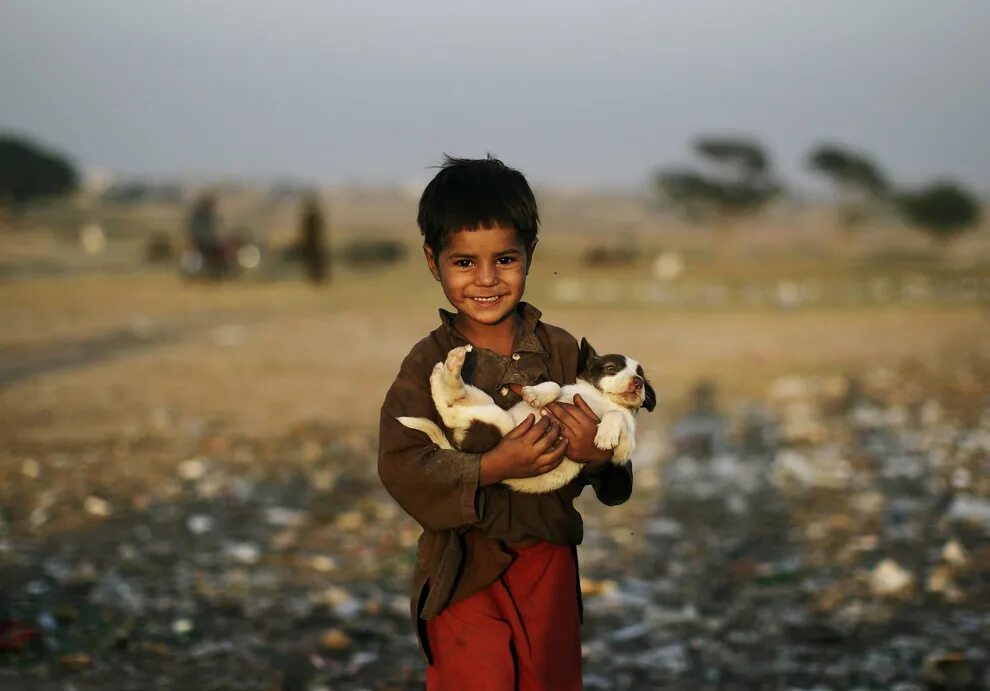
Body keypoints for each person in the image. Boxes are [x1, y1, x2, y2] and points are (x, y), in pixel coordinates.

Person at [378, 155, 633, 690]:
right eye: (465, 263)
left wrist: (598, 454)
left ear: (530, 255)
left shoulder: (565, 353)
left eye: (505, 259)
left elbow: (616, 476)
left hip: (548, 564)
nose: (487, 279)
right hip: (462, 570)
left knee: (548, 680)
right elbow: (401, 464)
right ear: (433, 261)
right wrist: (492, 466)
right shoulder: (428, 362)